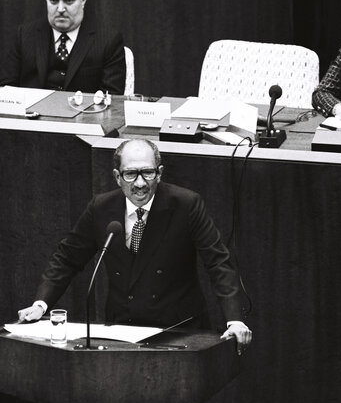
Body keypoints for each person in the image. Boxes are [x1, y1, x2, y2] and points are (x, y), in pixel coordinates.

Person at [18, 139, 252, 355]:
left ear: (159, 174)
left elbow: (218, 263)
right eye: (131, 174)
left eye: (147, 173)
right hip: (122, 330)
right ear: (117, 177)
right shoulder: (101, 207)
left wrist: (234, 319)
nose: (140, 183)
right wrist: (41, 304)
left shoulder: (186, 205)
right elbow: (67, 258)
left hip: (177, 331)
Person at [0, 0, 126, 94]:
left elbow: (112, 98)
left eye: (68, 1)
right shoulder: (24, 35)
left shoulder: (108, 40)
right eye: (54, 1)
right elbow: (6, 89)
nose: (60, 9)